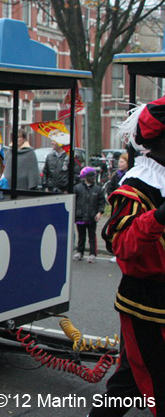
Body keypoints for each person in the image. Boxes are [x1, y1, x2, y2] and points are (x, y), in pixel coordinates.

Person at [100, 95, 165, 416]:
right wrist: (160, 216)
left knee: (128, 383)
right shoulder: (137, 187)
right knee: (155, 384)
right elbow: (121, 247)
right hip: (148, 306)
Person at [73, 166, 105, 263]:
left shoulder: (98, 189)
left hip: (92, 217)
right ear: (85, 176)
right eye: (90, 176)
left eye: (93, 176)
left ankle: (92, 253)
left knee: (92, 236)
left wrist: (100, 212)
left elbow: (101, 202)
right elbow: (74, 202)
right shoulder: (77, 188)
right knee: (81, 235)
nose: (92, 178)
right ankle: (80, 252)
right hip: (80, 216)